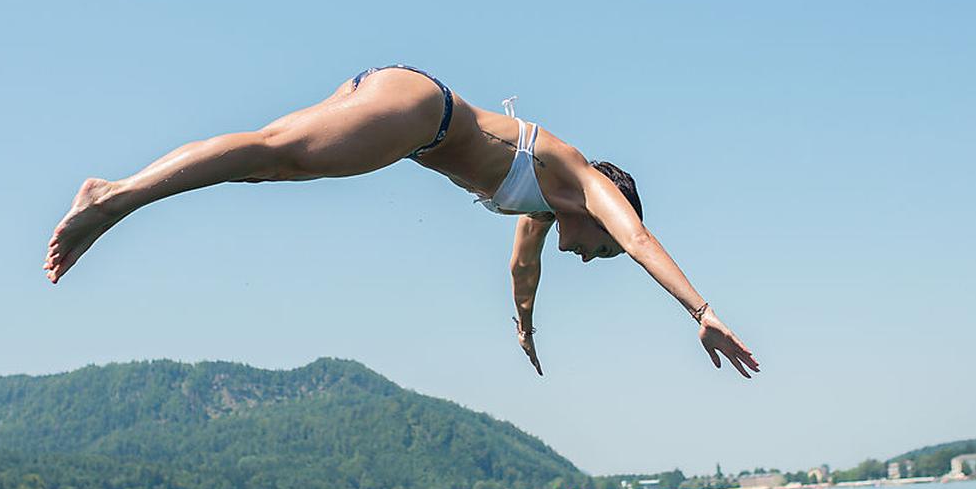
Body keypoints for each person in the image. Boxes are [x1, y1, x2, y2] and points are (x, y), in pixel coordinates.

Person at [43, 65, 760, 379]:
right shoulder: (579, 179)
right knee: (269, 157)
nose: (592, 256)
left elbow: (522, 269)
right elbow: (636, 239)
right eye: (597, 253)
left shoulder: (543, 208)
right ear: (610, 202)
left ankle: (119, 194)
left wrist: (525, 329)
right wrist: (701, 310)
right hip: (419, 111)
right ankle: (113, 197)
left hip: (404, 103)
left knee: (267, 160)